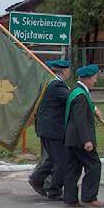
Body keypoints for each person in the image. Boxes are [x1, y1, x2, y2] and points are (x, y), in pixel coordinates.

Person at [63, 64, 104, 208]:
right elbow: (80, 120)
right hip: (80, 139)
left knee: (73, 168)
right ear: (87, 79)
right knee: (94, 165)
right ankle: (89, 198)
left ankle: (70, 198)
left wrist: (94, 108)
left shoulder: (77, 91)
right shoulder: (80, 96)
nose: (95, 81)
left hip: (72, 138)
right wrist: (87, 140)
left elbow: (85, 107)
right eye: (94, 78)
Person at [29, 59, 71, 200]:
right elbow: (72, 99)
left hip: (47, 128)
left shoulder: (51, 83)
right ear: (64, 71)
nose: (69, 72)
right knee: (61, 161)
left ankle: (40, 180)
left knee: (53, 159)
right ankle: (52, 189)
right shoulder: (57, 84)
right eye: (68, 70)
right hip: (52, 129)